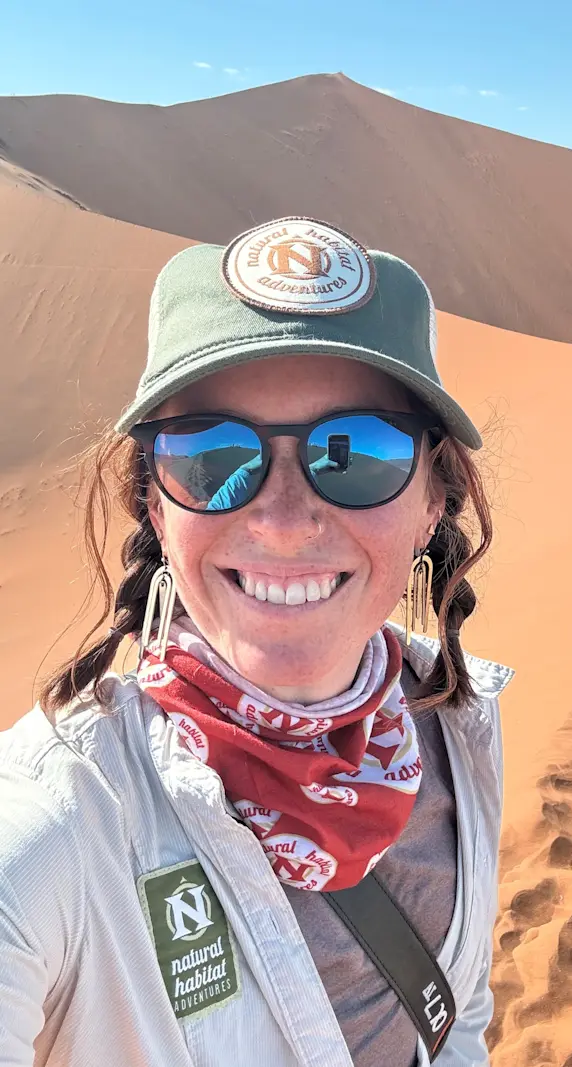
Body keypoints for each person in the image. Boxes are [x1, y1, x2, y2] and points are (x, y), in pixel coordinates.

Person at [0, 217, 513, 1067]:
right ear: (158, 508)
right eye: (213, 457)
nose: (279, 522)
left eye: (356, 454)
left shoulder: (458, 731)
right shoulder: (60, 829)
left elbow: (457, 1020)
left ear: (433, 498)